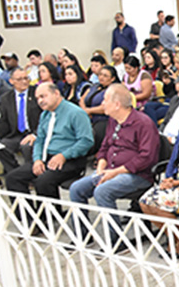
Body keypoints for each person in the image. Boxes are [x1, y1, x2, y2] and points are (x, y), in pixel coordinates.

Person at [69, 84, 161, 239]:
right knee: (76, 189)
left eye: (105, 100)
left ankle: (115, 239)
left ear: (117, 104)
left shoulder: (143, 123)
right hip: (110, 170)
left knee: (102, 191)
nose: (102, 104)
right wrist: (101, 165)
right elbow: (105, 146)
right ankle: (82, 235)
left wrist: (115, 172)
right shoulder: (113, 121)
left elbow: (147, 157)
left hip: (136, 175)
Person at [5, 81, 93, 202]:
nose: (40, 101)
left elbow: (86, 141)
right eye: (37, 98)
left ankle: (51, 217)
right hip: (47, 157)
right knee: (13, 177)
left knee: (43, 180)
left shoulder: (76, 113)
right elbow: (39, 140)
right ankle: (28, 217)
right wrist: (37, 160)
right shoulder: (45, 115)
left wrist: (63, 155)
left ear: (56, 93)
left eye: (43, 96)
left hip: (70, 160)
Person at [0, 66, 40, 176]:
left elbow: (45, 117)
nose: (24, 82)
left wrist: (35, 134)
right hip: (16, 133)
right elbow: (4, 122)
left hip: (34, 132)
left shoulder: (36, 93)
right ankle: (16, 174)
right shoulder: (6, 98)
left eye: (26, 78)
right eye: (19, 79)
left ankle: (32, 176)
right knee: (2, 146)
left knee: (27, 147)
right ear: (11, 81)